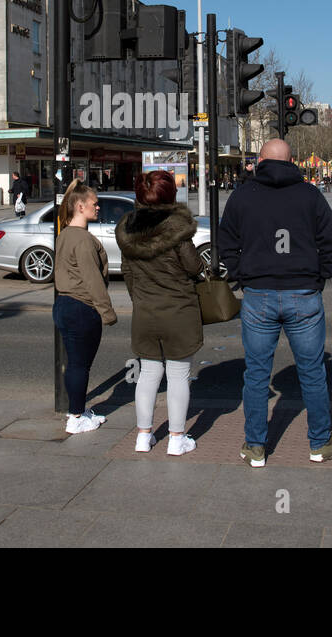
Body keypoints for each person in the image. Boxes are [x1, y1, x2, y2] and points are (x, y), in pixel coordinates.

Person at [219, 138, 332, 468]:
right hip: (303, 291)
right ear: (292, 161)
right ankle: (319, 443)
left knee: (256, 375)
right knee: (313, 373)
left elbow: (225, 241)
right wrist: (319, 277)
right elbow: (329, 241)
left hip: (258, 294)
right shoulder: (310, 194)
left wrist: (241, 274)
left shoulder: (243, 195)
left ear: (260, 160)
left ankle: (255, 445)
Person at [114, 170, 203, 456]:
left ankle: (143, 436)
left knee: (148, 373)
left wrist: (140, 298)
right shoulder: (177, 231)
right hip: (179, 311)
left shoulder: (128, 230)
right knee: (178, 374)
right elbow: (193, 268)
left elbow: (127, 272)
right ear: (169, 196)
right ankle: (176, 439)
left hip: (145, 311)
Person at [53, 178, 118, 434]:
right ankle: (76, 416)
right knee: (81, 365)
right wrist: (107, 312)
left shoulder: (65, 234)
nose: (98, 207)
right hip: (81, 307)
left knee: (75, 363)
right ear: (80, 206)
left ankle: (78, 409)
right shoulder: (82, 240)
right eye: (94, 203)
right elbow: (93, 280)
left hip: (64, 305)